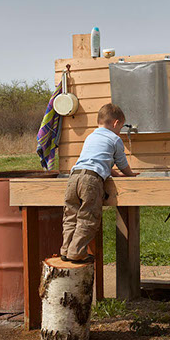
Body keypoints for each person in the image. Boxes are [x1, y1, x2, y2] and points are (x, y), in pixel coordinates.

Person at [61, 103, 137, 262]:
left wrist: (115, 175)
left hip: (74, 177)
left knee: (71, 215)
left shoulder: (91, 136)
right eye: (121, 127)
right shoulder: (115, 139)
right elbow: (122, 163)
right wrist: (130, 175)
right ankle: (77, 252)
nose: (120, 131)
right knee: (88, 217)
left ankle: (66, 250)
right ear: (116, 123)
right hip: (91, 180)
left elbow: (100, 160)